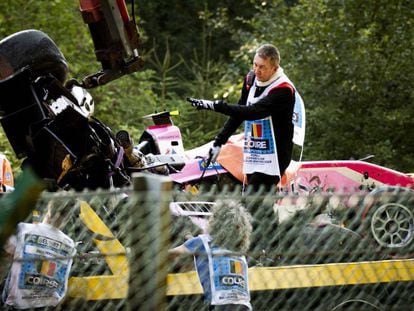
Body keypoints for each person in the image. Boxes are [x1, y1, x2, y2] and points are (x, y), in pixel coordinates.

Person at [187, 43, 304, 191]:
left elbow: (252, 112)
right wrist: (219, 142)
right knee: (259, 205)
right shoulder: (250, 79)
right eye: (255, 65)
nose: (257, 70)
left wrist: (215, 105)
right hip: (254, 150)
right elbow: (238, 114)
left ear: (275, 68)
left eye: (262, 67)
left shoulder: (284, 89)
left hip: (275, 155)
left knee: (251, 202)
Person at [169, 200, 253, 310]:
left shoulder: (202, 242)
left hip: (220, 305)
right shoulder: (239, 252)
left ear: (216, 221)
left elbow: (171, 255)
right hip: (244, 306)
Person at [2, 202, 76, 309]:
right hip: (47, 303)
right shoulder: (70, 243)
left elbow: (8, 248)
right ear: (68, 217)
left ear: (49, 210)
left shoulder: (24, 229)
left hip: (17, 302)